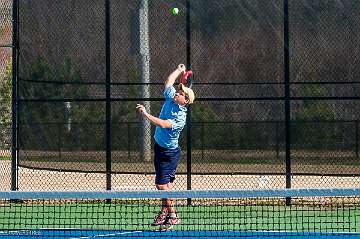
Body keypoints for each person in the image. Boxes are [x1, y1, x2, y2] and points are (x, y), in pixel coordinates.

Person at [136, 63, 195, 228]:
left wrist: (146, 113)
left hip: (169, 153)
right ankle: (164, 212)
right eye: (179, 90)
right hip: (159, 147)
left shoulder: (180, 118)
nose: (178, 92)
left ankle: (173, 215)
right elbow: (168, 82)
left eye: (182, 93)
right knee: (164, 185)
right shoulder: (171, 98)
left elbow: (162, 124)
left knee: (162, 185)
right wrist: (179, 70)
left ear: (186, 101)